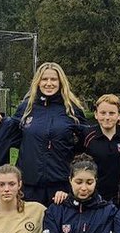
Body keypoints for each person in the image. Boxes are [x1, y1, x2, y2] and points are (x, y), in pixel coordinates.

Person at [13, 62, 87, 204]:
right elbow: (9, 132)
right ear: (38, 82)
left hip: (60, 186)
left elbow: (86, 140)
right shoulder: (26, 108)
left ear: (60, 82)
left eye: (53, 79)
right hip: (29, 185)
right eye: (44, 79)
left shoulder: (72, 110)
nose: (49, 83)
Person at [80, 93, 120, 206]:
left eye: (112, 113)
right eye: (103, 113)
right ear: (96, 114)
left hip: (118, 193)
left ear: (119, 115)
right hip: (92, 192)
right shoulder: (87, 135)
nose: (107, 117)